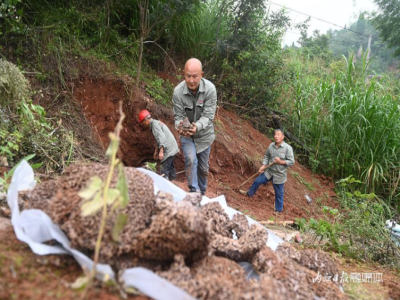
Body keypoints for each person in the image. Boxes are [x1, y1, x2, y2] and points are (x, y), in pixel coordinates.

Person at [172, 58, 217, 195]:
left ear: (201, 74)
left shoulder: (210, 90)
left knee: (203, 168)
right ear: (183, 74)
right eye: (188, 76)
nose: (191, 80)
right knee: (191, 160)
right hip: (187, 136)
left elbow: (209, 115)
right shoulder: (178, 92)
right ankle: (194, 191)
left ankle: (202, 192)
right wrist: (180, 126)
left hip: (204, 135)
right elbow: (178, 116)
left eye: (195, 76)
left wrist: (197, 126)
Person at [240, 129, 295, 215]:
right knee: (257, 181)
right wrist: (263, 165)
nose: (276, 136)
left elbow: (291, 162)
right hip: (269, 172)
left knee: (279, 193)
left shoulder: (288, 148)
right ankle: (249, 193)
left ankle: (278, 210)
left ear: (283, 137)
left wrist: (281, 162)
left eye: (278, 135)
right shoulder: (271, 146)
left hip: (279, 175)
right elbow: (266, 156)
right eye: (275, 135)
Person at [138, 109, 179, 181]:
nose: (142, 124)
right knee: (171, 168)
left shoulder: (154, 124)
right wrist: (156, 151)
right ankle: (174, 182)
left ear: (145, 120)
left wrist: (161, 152)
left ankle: (165, 187)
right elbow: (158, 139)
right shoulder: (155, 122)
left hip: (168, 150)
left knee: (164, 171)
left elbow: (161, 138)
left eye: (142, 122)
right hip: (172, 147)